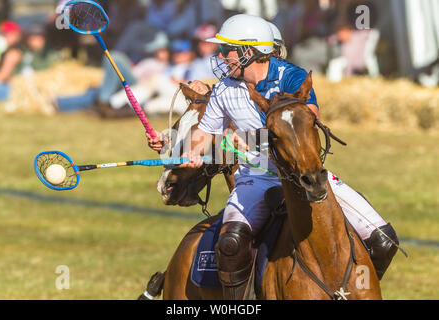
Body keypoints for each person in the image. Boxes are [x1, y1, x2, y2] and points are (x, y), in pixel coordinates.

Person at [147, 14, 398, 299]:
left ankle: (356, 290)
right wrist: (192, 153)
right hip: (255, 179)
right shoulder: (224, 90)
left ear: (247, 51)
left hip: (305, 172)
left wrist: (249, 139)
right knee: (231, 243)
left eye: (226, 49)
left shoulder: (291, 77)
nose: (220, 56)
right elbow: (204, 133)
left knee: (384, 241)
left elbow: (308, 120)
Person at [0, 21, 23, 101]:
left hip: (11, 89)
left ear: (17, 36)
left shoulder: (13, 52)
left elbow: (2, 76)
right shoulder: (3, 50)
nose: (5, 37)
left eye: (9, 34)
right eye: (3, 34)